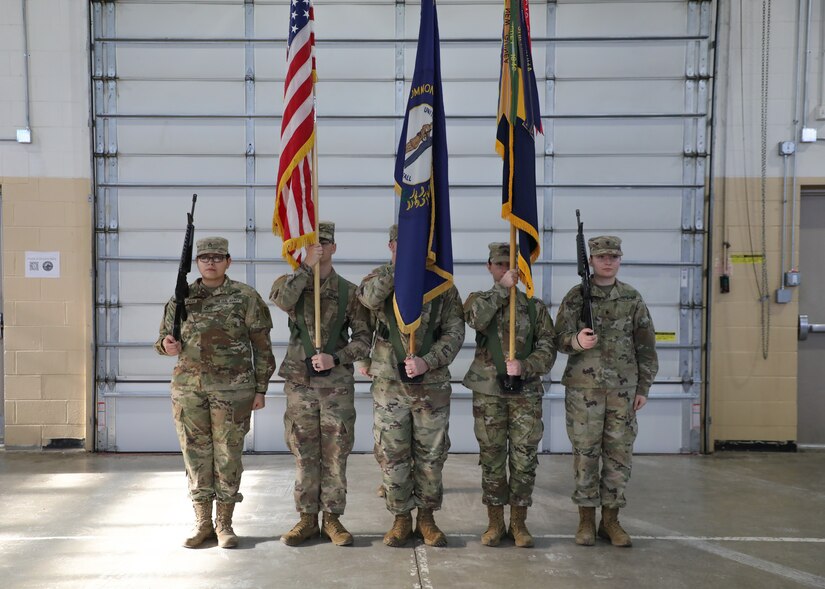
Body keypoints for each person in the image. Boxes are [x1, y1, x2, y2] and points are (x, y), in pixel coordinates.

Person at [155, 236, 276, 549]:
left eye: (217, 257)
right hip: (189, 391)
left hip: (234, 392)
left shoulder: (245, 297)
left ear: (228, 262)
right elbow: (163, 340)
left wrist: (261, 388)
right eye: (205, 257)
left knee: (228, 456)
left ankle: (225, 524)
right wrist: (167, 346)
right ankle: (202, 523)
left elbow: (262, 346)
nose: (210, 262)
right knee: (195, 457)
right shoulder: (182, 297)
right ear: (196, 263)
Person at [357, 223, 465, 548]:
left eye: (415, 245)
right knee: (393, 454)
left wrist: (428, 360)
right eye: (399, 245)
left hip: (430, 384)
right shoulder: (379, 277)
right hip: (389, 384)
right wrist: (398, 269)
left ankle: (428, 519)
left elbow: (455, 333)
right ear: (390, 246)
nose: (407, 249)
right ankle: (401, 518)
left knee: (431, 456)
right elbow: (368, 300)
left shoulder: (441, 284)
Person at [269, 221, 372, 547]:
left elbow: (365, 340)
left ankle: (332, 519)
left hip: (336, 385)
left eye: (325, 243)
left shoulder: (350, 292)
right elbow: (282, 300)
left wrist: (337, 358)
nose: (320, 248)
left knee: (335, 451)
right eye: (313, 243)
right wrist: (305, 268)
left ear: (334, 247)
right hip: (300, 383)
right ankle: (305, 519)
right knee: (304, 452)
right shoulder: (291, 283)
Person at [554, 235, 658, 548]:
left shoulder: (631, 297)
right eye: (602, 257)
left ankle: (610, 521)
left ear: (620, 259)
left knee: (618, 455)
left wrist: (644, 387)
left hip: (623, 392)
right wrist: (576, 341)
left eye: (614, 256)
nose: (608, 261)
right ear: (591, 261)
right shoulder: (575, 297)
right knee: (585, 455)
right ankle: (586, 520)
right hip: (584, 390)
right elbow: (556, 338)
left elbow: (646, 346)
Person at [463, 243, 557, 548]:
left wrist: (526, 366)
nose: (506, 270)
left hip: (525, 393)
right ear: (489, 267)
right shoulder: (479, 300)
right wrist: (503, 290)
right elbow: (476, 320)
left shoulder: (535, 307)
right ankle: (494, 522)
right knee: (491, 457)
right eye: (500, 264)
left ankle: (518, 523)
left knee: (524, 458)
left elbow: (548, 348)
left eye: (511, 265)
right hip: (489, 391)